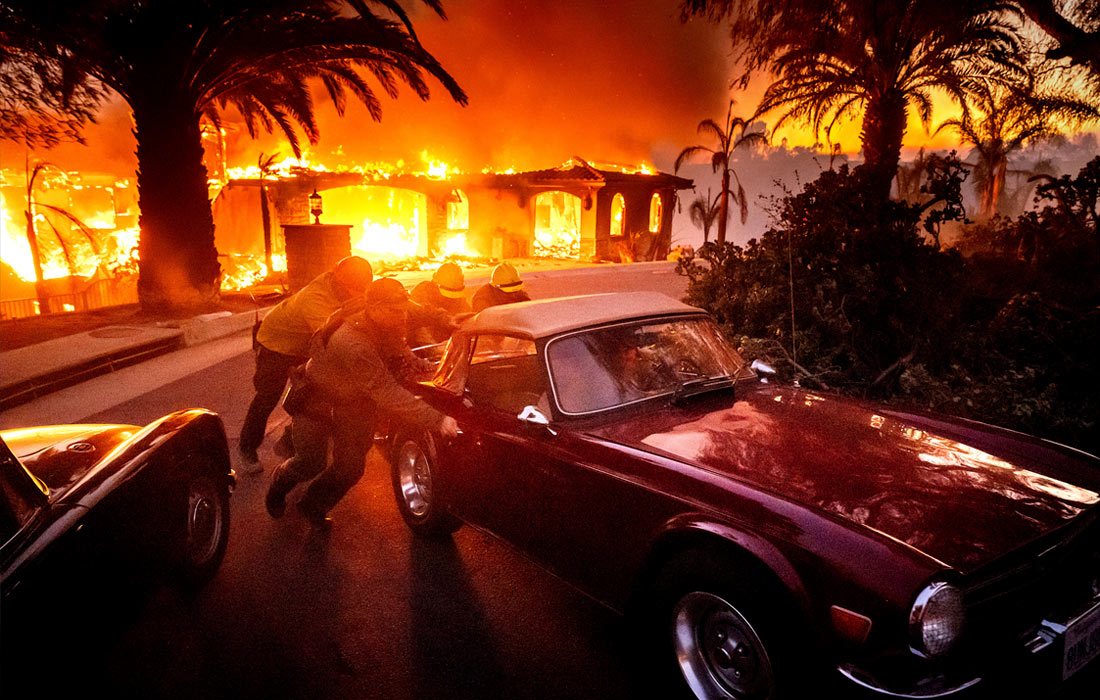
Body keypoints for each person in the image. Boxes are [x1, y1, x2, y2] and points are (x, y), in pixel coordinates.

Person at [264, 277, 460, 529]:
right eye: (395, 311)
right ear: (375, 309)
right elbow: (386, 391)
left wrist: (445, 319)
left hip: (355, 402)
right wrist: (438, 420)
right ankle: (279, 482)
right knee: (310, 461)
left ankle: (313, 505)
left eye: (402, 308)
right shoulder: (353, 343)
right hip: (318, 399)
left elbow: (417, 309)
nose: (403, 316)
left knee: (351, 468)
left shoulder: (389, 307)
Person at [238, 255, 373, 474]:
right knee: (267, 398)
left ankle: (291, 440)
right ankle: (247, 448)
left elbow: (383, 302)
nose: (359, 295)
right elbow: (333, 339)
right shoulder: (316, 300)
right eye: (355, 290)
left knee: (314, 394)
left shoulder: (352, 283)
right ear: (341, 282)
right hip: (276, 345)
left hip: (304, 343)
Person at [409, 262, 472, 345]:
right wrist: (435, 349)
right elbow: (421, 330)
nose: (450, 299)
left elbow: (467, 315)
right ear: (435, 282)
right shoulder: (421, 295)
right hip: (428, 347)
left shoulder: (458, 298)